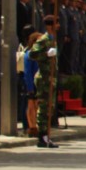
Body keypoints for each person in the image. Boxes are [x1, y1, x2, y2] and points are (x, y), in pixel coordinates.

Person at [28, 15, 60, 148]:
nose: (58, 26)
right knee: (44, 108)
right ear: (49, 25)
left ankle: (46, 135)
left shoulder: (53, 39)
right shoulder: (44, 39)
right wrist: (46, 54)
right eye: (56, 24)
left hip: (51, 78)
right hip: (44, 78)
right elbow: (32, 54)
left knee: (49, 108)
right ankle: (42, 137)